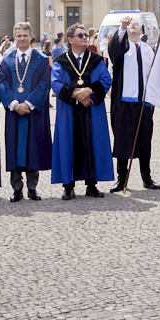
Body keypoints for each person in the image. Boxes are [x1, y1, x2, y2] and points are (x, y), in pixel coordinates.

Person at [50, 23, 114, 199]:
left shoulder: (96, 60)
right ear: (70, 40)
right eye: (80, 35)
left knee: (93, 142)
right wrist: (76, 94)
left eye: (85, 35)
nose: (85, 37)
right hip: (69, 112)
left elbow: (106, 80)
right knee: (67, 144)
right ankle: (68, 186)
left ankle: (92, 184)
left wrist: (90, 91)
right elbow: (55, 83)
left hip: (92, 110)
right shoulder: (61, 61)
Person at [0, 22, 52, 202]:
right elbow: (1, 83)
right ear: (14, 38)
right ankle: (17, 188)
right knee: (14, 147)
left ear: (30, 37)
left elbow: (45, 83)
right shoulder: (7, 60)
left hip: (33, 112)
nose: (21, 38)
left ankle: (32, 188)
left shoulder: (41, 59)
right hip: (14, 112)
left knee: (33, 147)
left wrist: (28, 103)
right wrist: (14, 104)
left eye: (25, 35)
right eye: (18, 36)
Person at [106, 15, 160, 192]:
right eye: (131, 25)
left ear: (142, 31)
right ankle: (121, 179)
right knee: (122, 140)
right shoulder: (122, 47)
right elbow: (114, 50)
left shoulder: (147, 50)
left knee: (144, 139)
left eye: (136, 25)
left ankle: (147, 177)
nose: (133, 26)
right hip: (124, 100)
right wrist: (122, 28)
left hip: (143, 101)